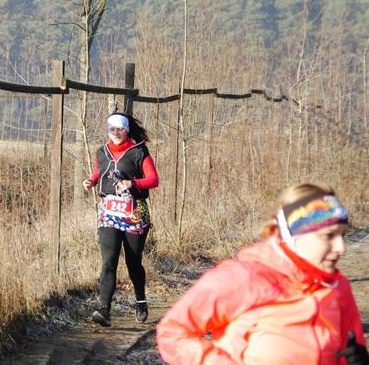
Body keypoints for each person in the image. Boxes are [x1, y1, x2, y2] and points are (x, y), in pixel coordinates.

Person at [156, 183, 368, 364]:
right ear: (295, 236)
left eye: (342, 235)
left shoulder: (338, 287)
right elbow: (173, 332)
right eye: (328, 236)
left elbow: (348, 350)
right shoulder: (243, 278)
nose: (341, 247)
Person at [83, 112, 159, 327]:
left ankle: (141, 300)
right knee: (109, 260)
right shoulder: (102, 151)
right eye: (112, 128)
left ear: (127, 130)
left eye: (120, 128)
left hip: (134, 212)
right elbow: (99, 173)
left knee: (133, 262)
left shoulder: (139, 152)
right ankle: (104, 309)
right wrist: (91, 181)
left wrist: (131, 184)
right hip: (109, 212)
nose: (115, 132)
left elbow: (153, 180)